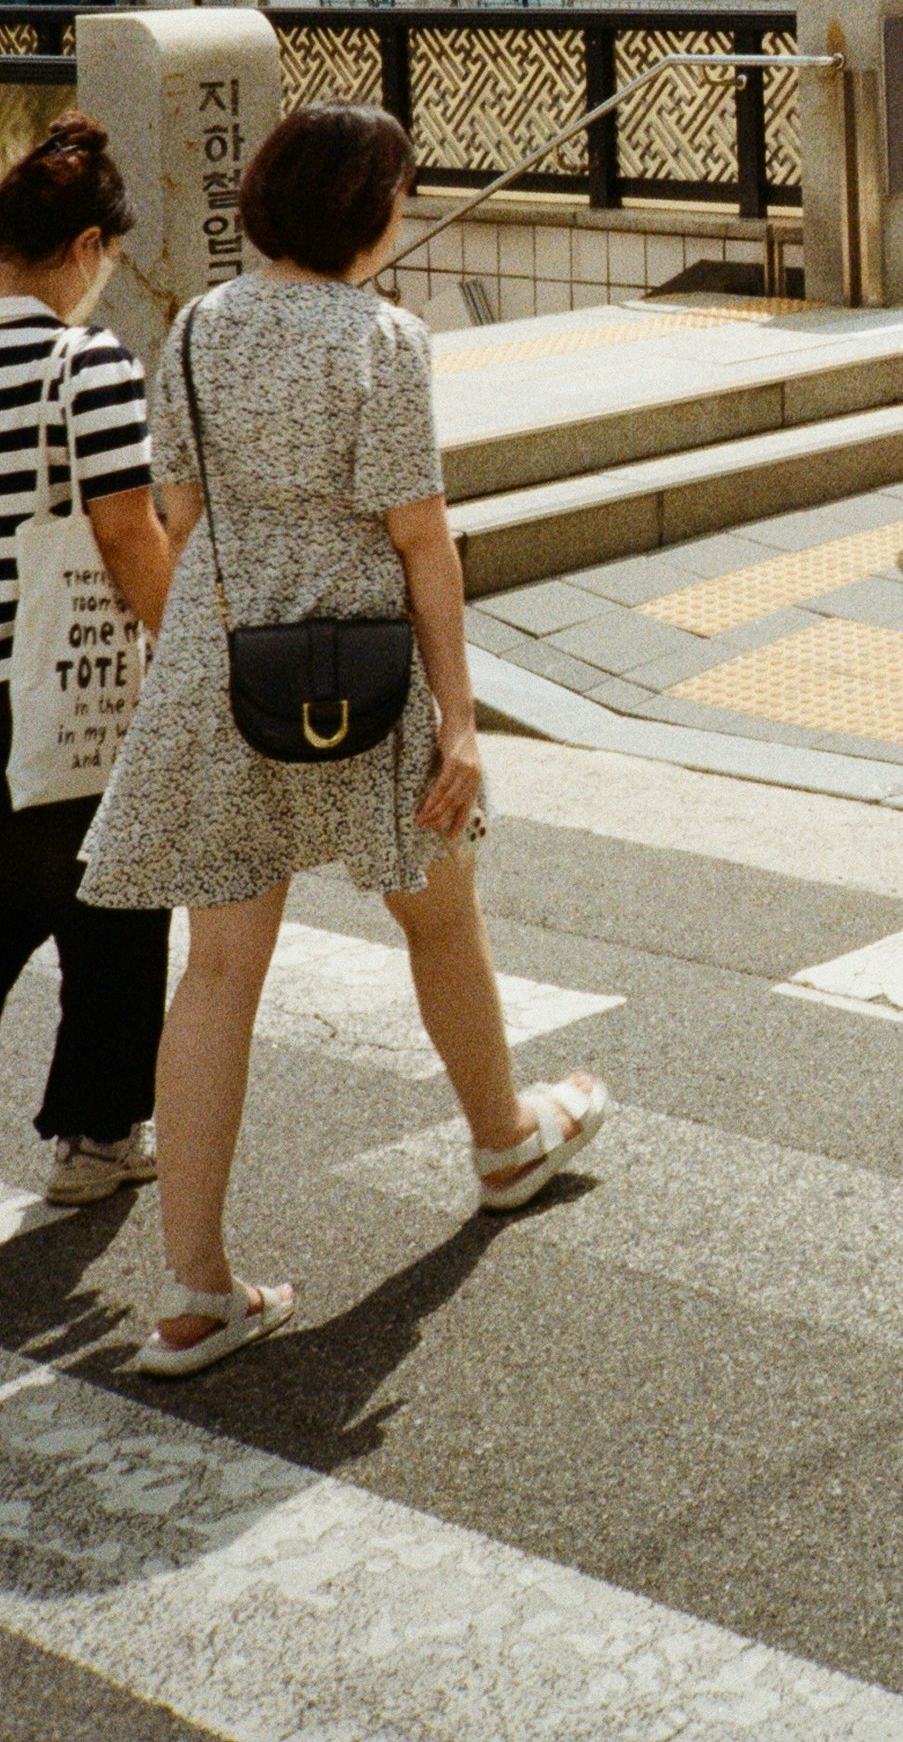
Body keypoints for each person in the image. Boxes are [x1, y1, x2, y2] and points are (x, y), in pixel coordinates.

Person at [81, 103, 608, 1377]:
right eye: (399, 200)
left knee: (216, 972)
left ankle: (195, 1289)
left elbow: (185, 504)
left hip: (222, 667)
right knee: (439, 909)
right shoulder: (385, 340)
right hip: (360, 671)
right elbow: (420, 536)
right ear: (362, 212)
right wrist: (464, 721)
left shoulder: (199, 327)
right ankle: (503, 1140)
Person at [0, 118, 172, 1206]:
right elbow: (125, 533)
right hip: (62, 693)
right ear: (88, 248)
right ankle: (99, 1137)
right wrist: (186, 651)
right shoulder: (84, 363)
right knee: (112, 910)